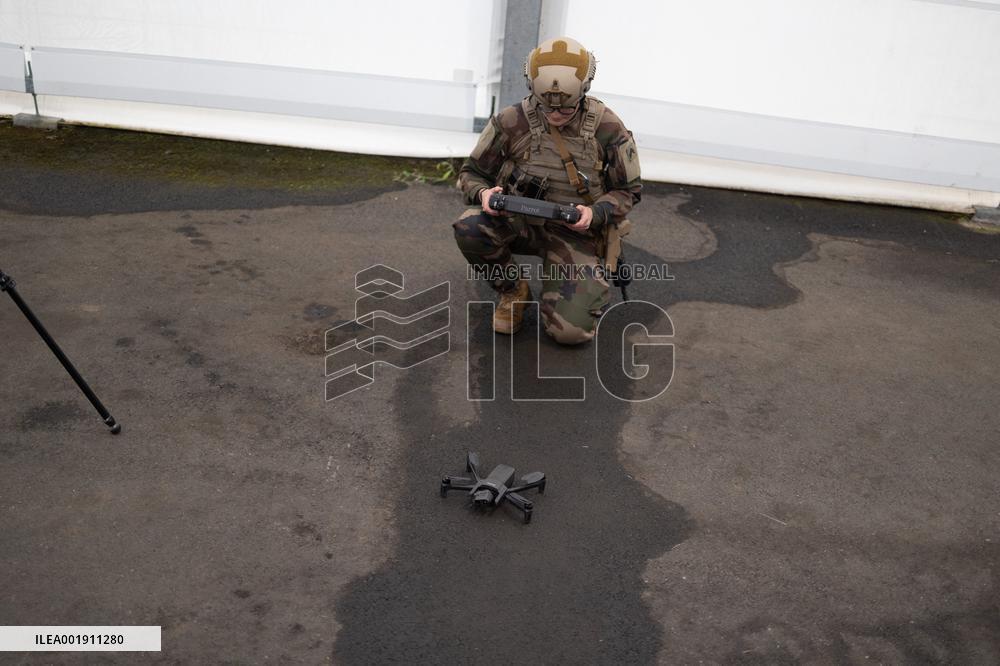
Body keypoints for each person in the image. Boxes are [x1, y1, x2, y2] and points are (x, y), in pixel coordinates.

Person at [453, 36, 641, 345]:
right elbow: (471, 173)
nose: (554, 115)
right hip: (519, 222)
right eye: (546, 107)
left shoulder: (607, 127)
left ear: (584, 91)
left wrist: (595, 213)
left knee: (570, 334)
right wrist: (484, 194)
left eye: (565, 110)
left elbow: (628, 190)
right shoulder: (511, 121)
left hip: (575, 233)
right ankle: (513, 291)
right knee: (470, 227)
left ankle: (572, 296)